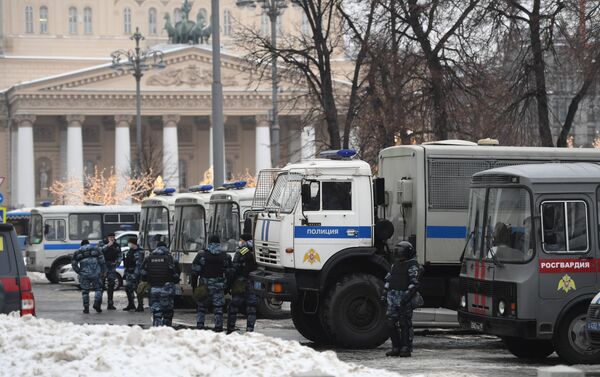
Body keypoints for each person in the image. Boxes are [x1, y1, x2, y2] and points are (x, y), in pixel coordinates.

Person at [383, 240, 423, 357]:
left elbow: (414, 283)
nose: (398, 254)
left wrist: (406, 297)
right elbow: (389, 280)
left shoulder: (412, 265)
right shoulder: (395, 265)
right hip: (393, 298)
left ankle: (406, 347)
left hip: (404, 299)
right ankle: (396, 347)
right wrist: (384, 292)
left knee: (404, 323)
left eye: (401, 252)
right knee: (390, 323)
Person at [191, 234, 232, 332]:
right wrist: (227, 287)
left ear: (209, 243)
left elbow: (194, 272)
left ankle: (200, 326)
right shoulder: (225, 256)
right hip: (218, 286)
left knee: (201, 308)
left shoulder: (201, 255)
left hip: (204, 286)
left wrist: (194, 287)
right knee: (218, 309)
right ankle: (218, 327)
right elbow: (230, 273)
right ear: (219, 243)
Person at [140, 239, 180, 327]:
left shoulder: (148, 258)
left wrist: (148, 281)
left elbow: (142, 273)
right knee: (167, 313)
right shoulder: (171, 259)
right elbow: (177, 275)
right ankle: (167, 331)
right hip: (168, 289)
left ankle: (156, 330)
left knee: (156, 312)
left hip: (154, 288)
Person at [226, 233, 258, 334]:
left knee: (234, 306)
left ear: (244, 241)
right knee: (251, 307)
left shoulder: (241, 251)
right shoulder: (256, 251)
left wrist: (229, 284)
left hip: (240, 282)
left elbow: (234, 268)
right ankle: (250, 329)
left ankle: (230, 328)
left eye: (241, 240)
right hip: (252, 282)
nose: (240, 242)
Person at [71, 240, 106, 313]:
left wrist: (79, 271)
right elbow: (102, 261)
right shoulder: (96, 249)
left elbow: (74, 264)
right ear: (88, 243)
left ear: (81, 245)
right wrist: (102, 271)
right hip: (96, 273)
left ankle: (86, 308)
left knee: (85, 291)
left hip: (84, 274)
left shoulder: (77, 252)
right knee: (98, 289)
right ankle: (96, 303)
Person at [100, 232, 122, 310]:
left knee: (111, 284)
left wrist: (118, 262)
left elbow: (120, 255)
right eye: (110, 237)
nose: (112, 239)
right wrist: (107, 246)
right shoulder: (102, 243)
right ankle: (98, 303)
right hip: (103, 266)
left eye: (113, 237)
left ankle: (110, 303)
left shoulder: (116, 245)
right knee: (101, 284)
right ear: (107, 238)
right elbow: (99, 251)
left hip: (112, 266)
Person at [123, 237, 145, 312]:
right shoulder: (130, 251)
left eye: (130, 243)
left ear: (133, 243)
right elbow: (128, 263)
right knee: (128, 289)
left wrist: (135, 275)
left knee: (138, 290)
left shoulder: (139, 252)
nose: (129, 244)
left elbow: (138, 265)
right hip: (129, 273)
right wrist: (125, 274)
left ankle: (140, 305)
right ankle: (131, 304)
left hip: (136, 275)